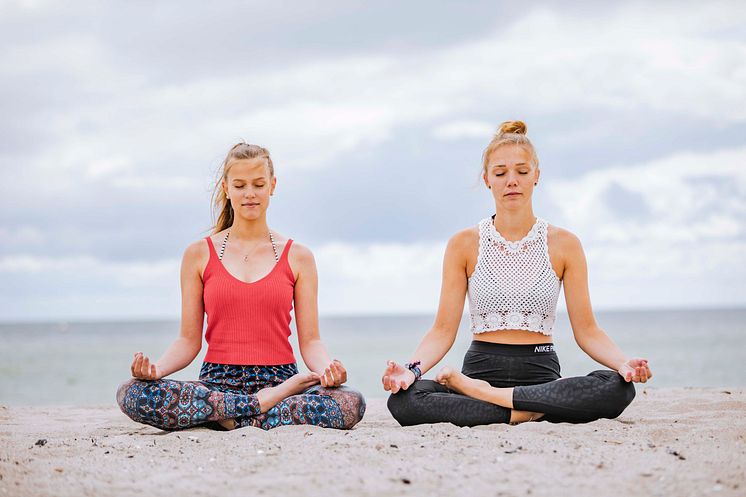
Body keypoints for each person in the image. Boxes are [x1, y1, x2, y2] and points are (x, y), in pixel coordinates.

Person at [382, 121, 651, 426]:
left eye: (522, 172)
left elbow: (588, 331)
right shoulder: (463, 245)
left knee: (618, 387)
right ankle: (531, 411)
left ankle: (500, 404)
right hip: (481, 369)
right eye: (500, 173)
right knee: (404, 400)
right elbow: (442, 331)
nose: (512, 181)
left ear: (536, 176)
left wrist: (623, 363)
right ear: (487, 180)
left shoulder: (565, 245)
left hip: (540, 375)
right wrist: (411, 370)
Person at [117, 143, 365, 431]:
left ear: (272, 186)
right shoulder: (198, 254)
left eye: (258, 184)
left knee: (351, 403)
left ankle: (227, 417)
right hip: (218, 384)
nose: (250, 193)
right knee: (132, 393)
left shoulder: (299, 256)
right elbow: (188, 341)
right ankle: (259, 407)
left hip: (282, 380)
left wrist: (327, 371)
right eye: (240, 185)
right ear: (226, 188)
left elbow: (310, 342)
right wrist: (156, 370)